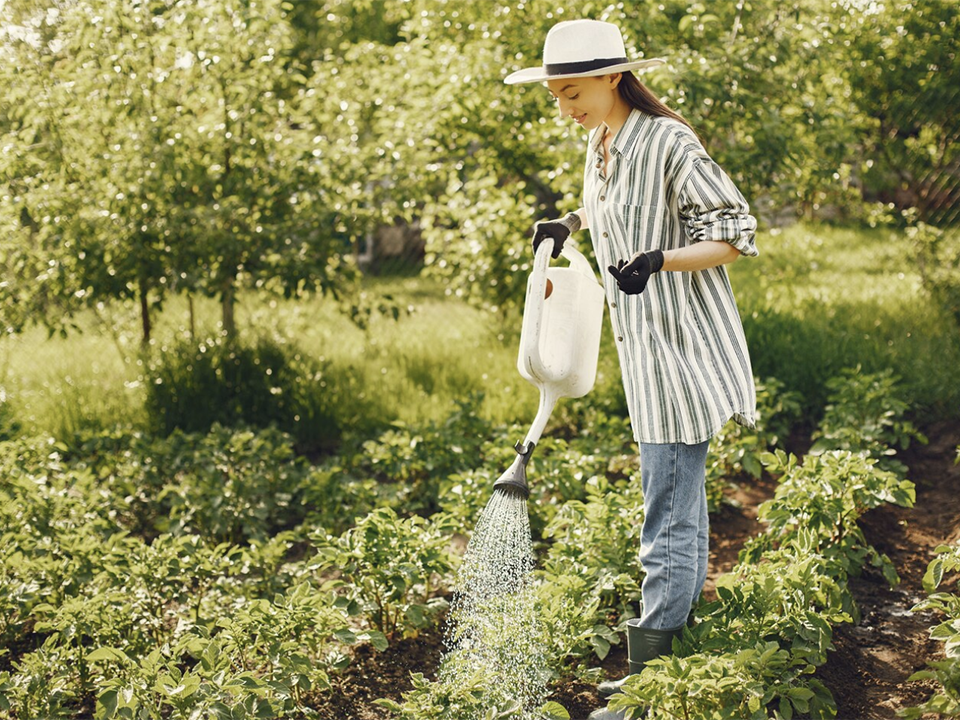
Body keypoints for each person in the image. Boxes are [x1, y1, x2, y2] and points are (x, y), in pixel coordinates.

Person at [504, 18, 759, 720]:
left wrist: (659, 260)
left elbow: (734, 232)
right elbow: (611, 208)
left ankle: (651, 685)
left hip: (681, 350)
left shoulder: (669, 141)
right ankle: (664, 667)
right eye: (556, 95)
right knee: (674, 502)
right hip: (644, 355)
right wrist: (570, 225)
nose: (565, 107)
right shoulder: (601, 141)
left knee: (667, 514)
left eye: (573, 91)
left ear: (613, 76)